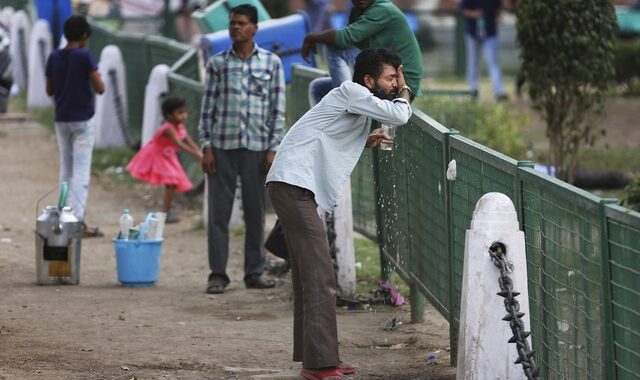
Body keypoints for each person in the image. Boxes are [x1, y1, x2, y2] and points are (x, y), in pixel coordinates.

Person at [266, 47, 412, 380]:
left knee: (309, 277)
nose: (394, 83)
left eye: (395, 77)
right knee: (320, 277)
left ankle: (317, 358)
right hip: (294, 187)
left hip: (295, 187)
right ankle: (319, 365)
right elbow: (400, 114)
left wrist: (364, 140)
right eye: (390, 77)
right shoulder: (352, 91)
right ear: (368, 79)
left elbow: (329, 135)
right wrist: (405, 89)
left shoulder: (355, 102)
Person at [198, 4, 286, 294]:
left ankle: (254, 272)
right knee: (218, 215)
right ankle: (218, 275)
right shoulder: (218, 64)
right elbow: (206, 109)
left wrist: (273, 149)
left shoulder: (271, 63)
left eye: (243, 23)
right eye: (233, 23)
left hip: (257, 149)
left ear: (254, 28)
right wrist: (206, 146)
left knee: (255, 213)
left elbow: (278, 110)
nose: (236, 28)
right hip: (222, 147)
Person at [45, 15, 105, 238]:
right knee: (81, 173)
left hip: (61, 118)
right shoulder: (84, 56)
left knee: (66, 170)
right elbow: (100, 88)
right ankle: (76, 221)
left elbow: (49, 90)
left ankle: (62, 215)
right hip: (83, 120)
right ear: (84, 36)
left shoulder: (54, 56)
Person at [302, 0, 423, 105]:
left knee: (334, 46)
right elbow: (353, 45)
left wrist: (312, 37)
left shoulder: (383, 9)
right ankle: (329, 127)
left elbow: (343, 38)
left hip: (400, 84)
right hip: (379, 75)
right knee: (318, 87)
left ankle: (345, 102)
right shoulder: (357, 11)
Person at [126, 96, 203, 224]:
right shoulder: (168, 129)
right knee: (171, 181)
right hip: (157, 155)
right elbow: (180, 144)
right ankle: (165, 212)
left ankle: (166, 210)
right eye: (179, 113)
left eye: (184, 112)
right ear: (169, 115)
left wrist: (199, 152)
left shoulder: (180, 126)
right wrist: (196, 154)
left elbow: (188, 140)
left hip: (168, 156)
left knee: (172, 183)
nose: (184, 115)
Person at [460, 0, 508, 101]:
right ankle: (473, 90)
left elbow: (499, 7)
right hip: (473, 33)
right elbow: (463, 9)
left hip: (490, 32)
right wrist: (475, 14)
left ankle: (499, 92)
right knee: (473, 61)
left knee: (493, 62)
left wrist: (498, 17)